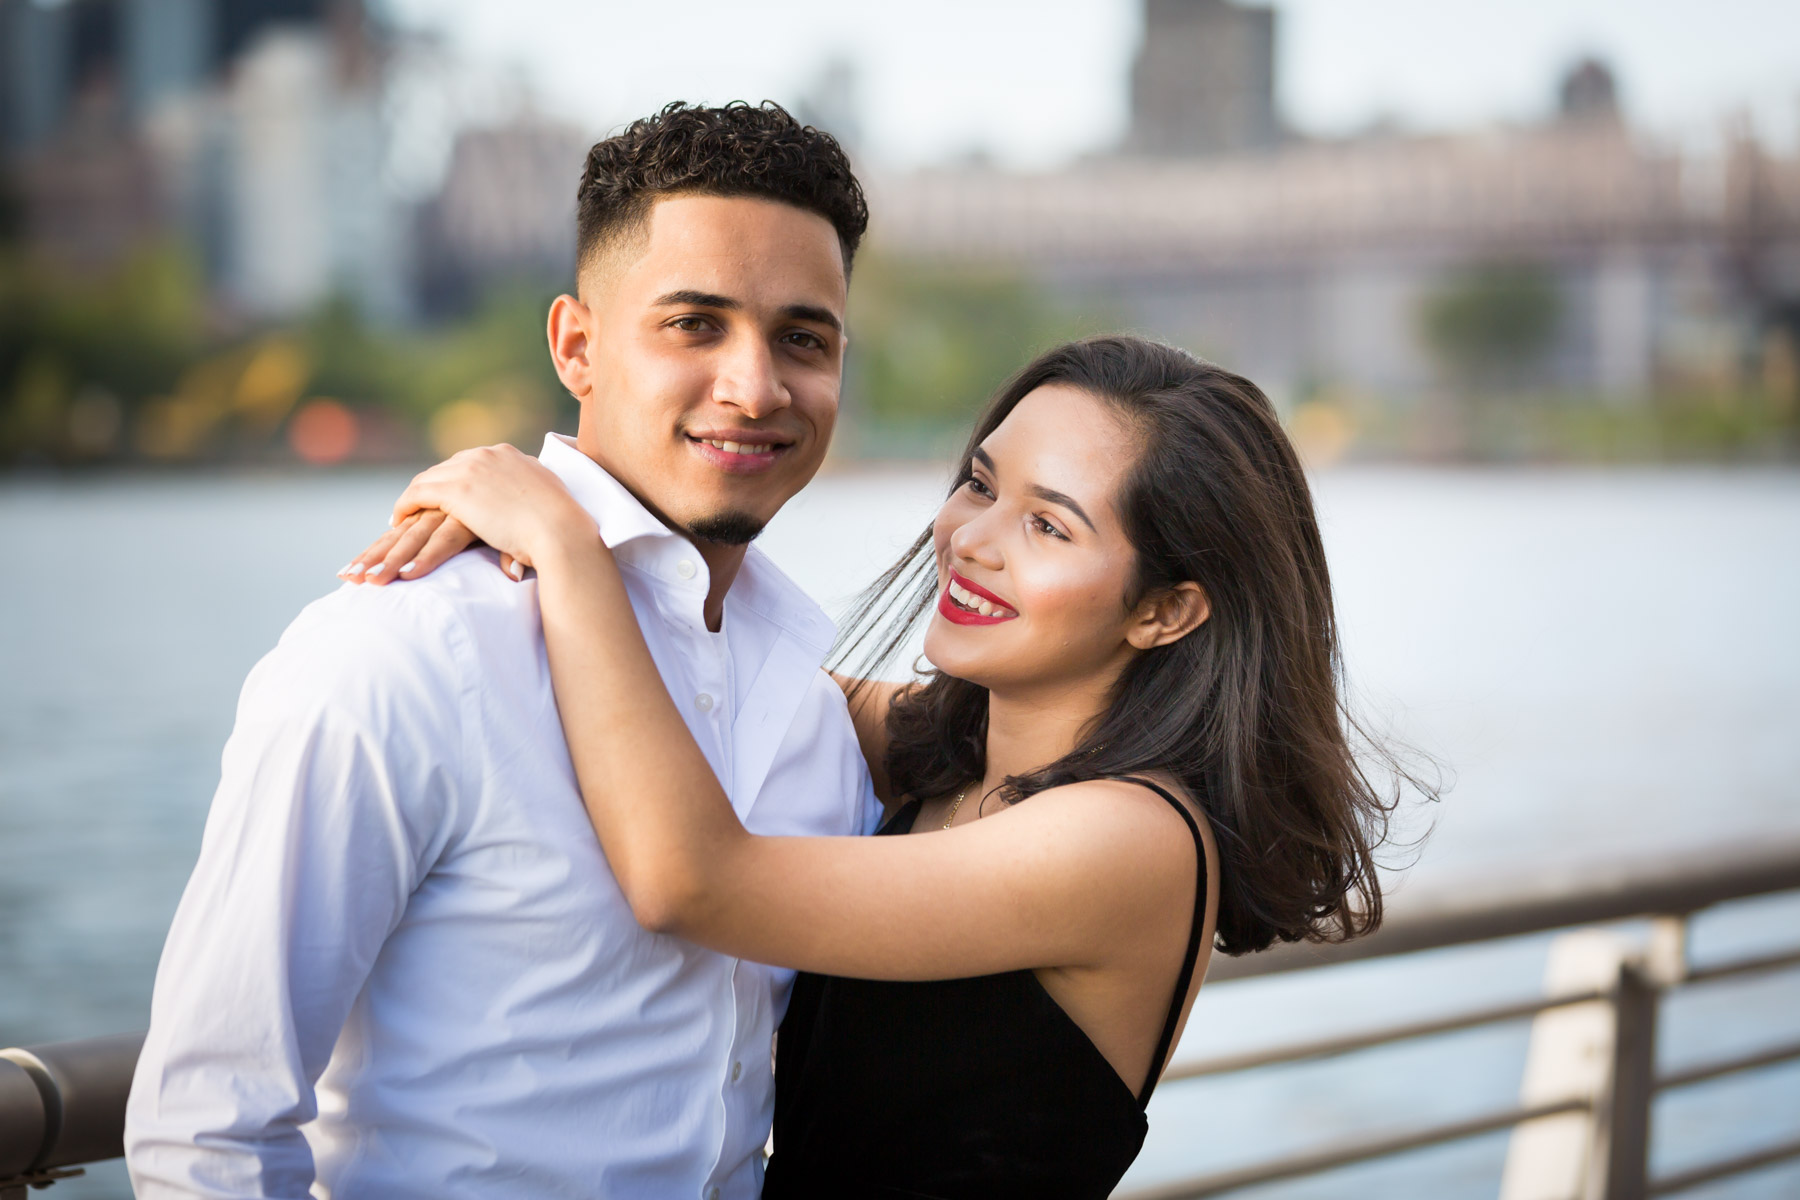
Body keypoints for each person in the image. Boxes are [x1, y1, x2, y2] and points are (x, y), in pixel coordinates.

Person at [342, 335, 1399, 1199]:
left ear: (1168, 610)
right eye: (980, 485)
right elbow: (707, 664)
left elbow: (689, 878)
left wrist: (564, 542)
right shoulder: (951, 749)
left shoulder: (1127, 840)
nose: (972, 540)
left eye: (1047, 524)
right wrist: (523, 563)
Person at [125, 102, 878, 1200]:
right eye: (694, 325)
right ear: (576, 344)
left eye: (802, 339)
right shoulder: (404, 652)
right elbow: (209, 1133)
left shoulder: (812, 695)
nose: (755, 388)